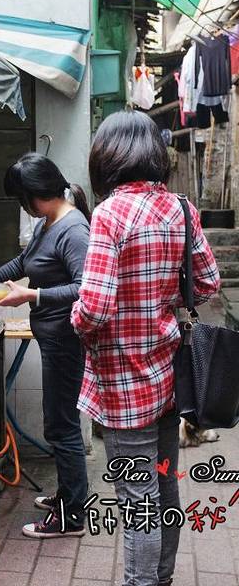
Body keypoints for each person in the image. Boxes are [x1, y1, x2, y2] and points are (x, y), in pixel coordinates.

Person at [71, 111, 220, 586]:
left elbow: (93, 309)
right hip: (169, 374)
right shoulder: (182, 209)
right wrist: (164, 299)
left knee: (138, 499)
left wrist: (76, 321)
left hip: (123, 383)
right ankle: (162, 578)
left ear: (107, 157)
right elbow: (209, 282)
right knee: (164, 484)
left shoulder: (109, 214)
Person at [0, 152, 91, 538]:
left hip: (66, 340)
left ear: (35, 194)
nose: (22, 205)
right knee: (58, 423)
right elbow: (24, 262)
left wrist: (32, 296)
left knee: (62, 427)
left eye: (21, 198)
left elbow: (85, 288)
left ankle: (71, 516)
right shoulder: (49, 222)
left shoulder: (73, 229)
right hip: (53, 339)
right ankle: (68, 496)